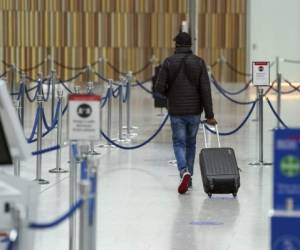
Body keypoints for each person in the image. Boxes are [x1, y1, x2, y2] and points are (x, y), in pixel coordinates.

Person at [154, 32, 217, 194]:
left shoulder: (168, 62)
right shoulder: (199, 62)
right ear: (190, 45)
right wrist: (210, 115)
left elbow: (158, 90)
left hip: (176, 111)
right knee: (191, 143)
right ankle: (189, 177)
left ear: (176, 45)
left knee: (179, 143)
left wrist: (170, 95)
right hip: (195, 111)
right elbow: (205, 90)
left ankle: (184, 171)